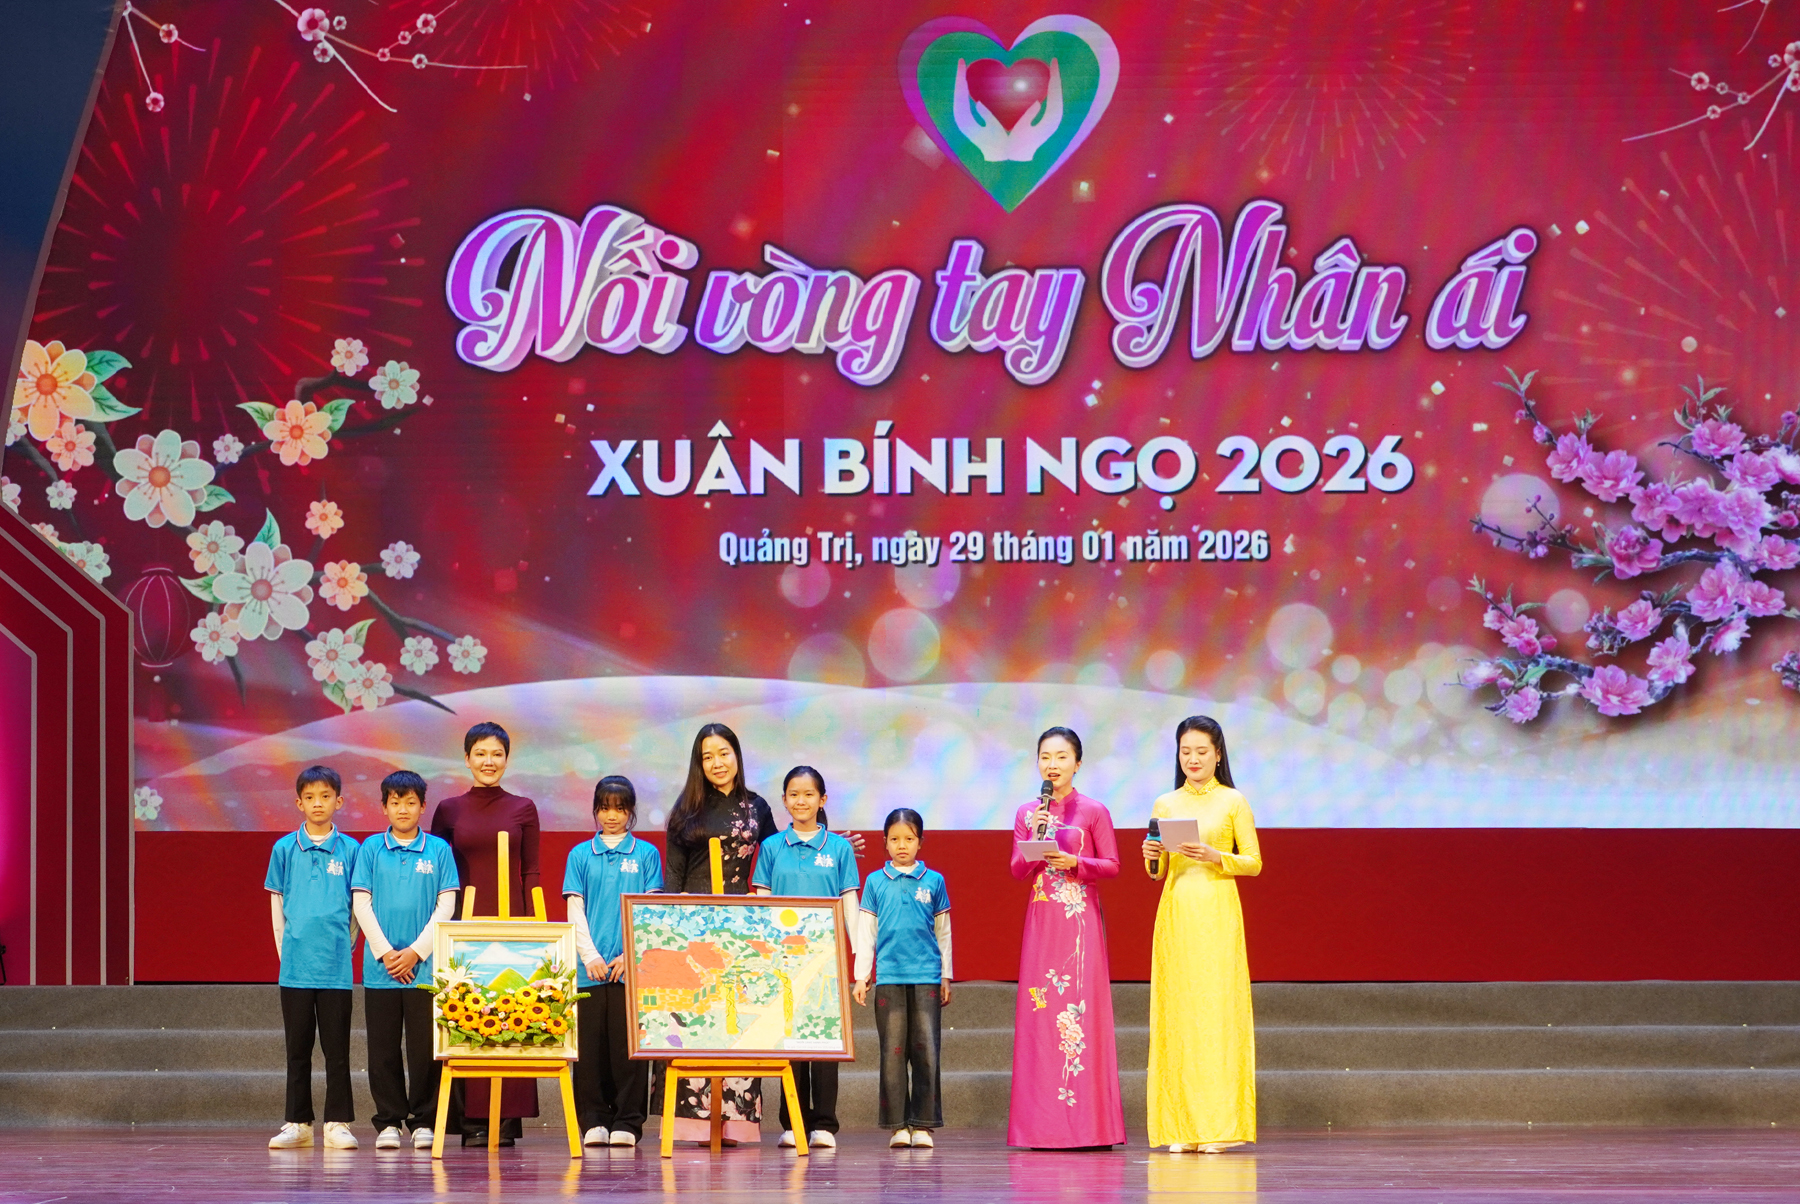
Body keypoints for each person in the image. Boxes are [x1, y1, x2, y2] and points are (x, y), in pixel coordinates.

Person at [1141, 715, 1262, 1154]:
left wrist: (1214, 855)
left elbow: (1254, 862)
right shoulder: (1166, 803)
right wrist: (1152, 855)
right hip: (1176, 913)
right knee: (1179, 1013)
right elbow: (1156, 874)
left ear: (1218, 754)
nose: (1193, 759)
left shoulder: (1233, 801)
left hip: (1217, 911)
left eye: (1201, 751)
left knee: (1216, 1013)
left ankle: (1218, 1127)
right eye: (1185, 751)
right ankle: (1182, 1127)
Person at [1007, 726, 1124, 1149]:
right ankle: (1041, 1127)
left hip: (1078, 922)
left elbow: (1112, 865)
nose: (1052, 765)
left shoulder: (1093, 810)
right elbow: (1018, 870)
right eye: (1045, 757)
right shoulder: (1027, 812)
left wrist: (1076, 862)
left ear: (1077, 762)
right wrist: (1034, 837)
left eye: (1061, 757)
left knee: (1081, 1013)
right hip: (1043, 921)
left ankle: (1090, 1127)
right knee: (1041, 1015)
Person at [662, 722, 777, 1145]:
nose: (717, 763)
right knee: (696, 1021)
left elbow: (778, 856)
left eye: (723, 753)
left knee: (738, 1021)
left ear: (737, 755)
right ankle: (695, 1123)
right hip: (693, 926)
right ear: (699, 763)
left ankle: (735, 1122)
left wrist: (827, 840)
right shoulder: (686, 810)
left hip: (741, 928)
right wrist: (672, 930)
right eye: (707, 756)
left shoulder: (757, 807)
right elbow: (673, 877)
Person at [430, 720, 541, 1145]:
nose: (488, 761)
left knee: (514, 1014)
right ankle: (470, 1120)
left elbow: (531, 871)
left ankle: (507, 1120)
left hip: (513, 927)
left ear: (507, 759)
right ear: (467, 759)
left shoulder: (523, 807)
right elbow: (438, 873)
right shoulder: (448, 810)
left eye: (497, 754)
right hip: (462, 927)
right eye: (480, 753)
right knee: (466, 1016)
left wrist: (534, 930)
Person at [751, 766, 861, 1149]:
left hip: (827, 961)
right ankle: (793, 1122)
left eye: (809, 794)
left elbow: (850, 903)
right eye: (794, 794)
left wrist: (860, 957)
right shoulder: (771, 848)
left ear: (822, 800)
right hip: (784, 962)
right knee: (791, 1044)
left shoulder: (839, 849)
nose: (801, 801)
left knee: (826, 1043)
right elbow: (762, 903)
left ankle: (825, 1125)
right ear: (784, 800)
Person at [351, 770, 459, 1151]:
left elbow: (447, 905)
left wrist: (415, 952)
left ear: (423, 806)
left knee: (424, 1048)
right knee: (382, 1049)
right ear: (384, 807)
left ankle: (424, 1121)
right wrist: (386, 952)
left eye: (410, 802)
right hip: (381, 969)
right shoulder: (370, 849)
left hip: (425, 970)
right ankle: (388, 1122)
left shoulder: (439, 850)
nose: (402, 809)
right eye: (395, 802)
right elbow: (361, 902)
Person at [563, 774, 663, 1149]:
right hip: (589, 971)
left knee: (628, 1049)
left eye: (620, 809)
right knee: (590, 1051)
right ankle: (593, 1120)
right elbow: (576, 909)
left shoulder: (646, 854)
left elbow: (650, 912)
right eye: (605, 808)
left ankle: (628, 1122)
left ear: (631, 812)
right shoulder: (580, 855)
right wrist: (590, 956)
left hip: (631, 969)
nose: (612, 816)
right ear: (595, 810)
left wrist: (629, 955)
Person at [264, 764, 362, 1150]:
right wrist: (285, 952)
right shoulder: (284, 849)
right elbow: (277, 907)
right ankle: (298, 1123)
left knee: (337, 1050)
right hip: (295, 967)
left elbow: (358, 908)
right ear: (298, 803)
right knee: (297, 1050)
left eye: (325, 796)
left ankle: (337, 1123)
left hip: (336, 968)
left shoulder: (352, 850)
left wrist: (345, 947)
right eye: (309, 797)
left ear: (339, 801)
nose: (317, 803)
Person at [853, 807, 952, 1149]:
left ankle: (923, 1124)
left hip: (926, 976)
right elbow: (866, 932)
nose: (902, 845)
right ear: (885, 842)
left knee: (926, 1051)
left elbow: (943, 932)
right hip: (889, 978)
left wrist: (946, 975)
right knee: (892, 1053)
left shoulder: (934, 881)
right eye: (894, 839)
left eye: (909, 839)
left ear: (920, 842)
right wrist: (861, 976)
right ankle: (897, 1125)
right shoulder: (875, 882)